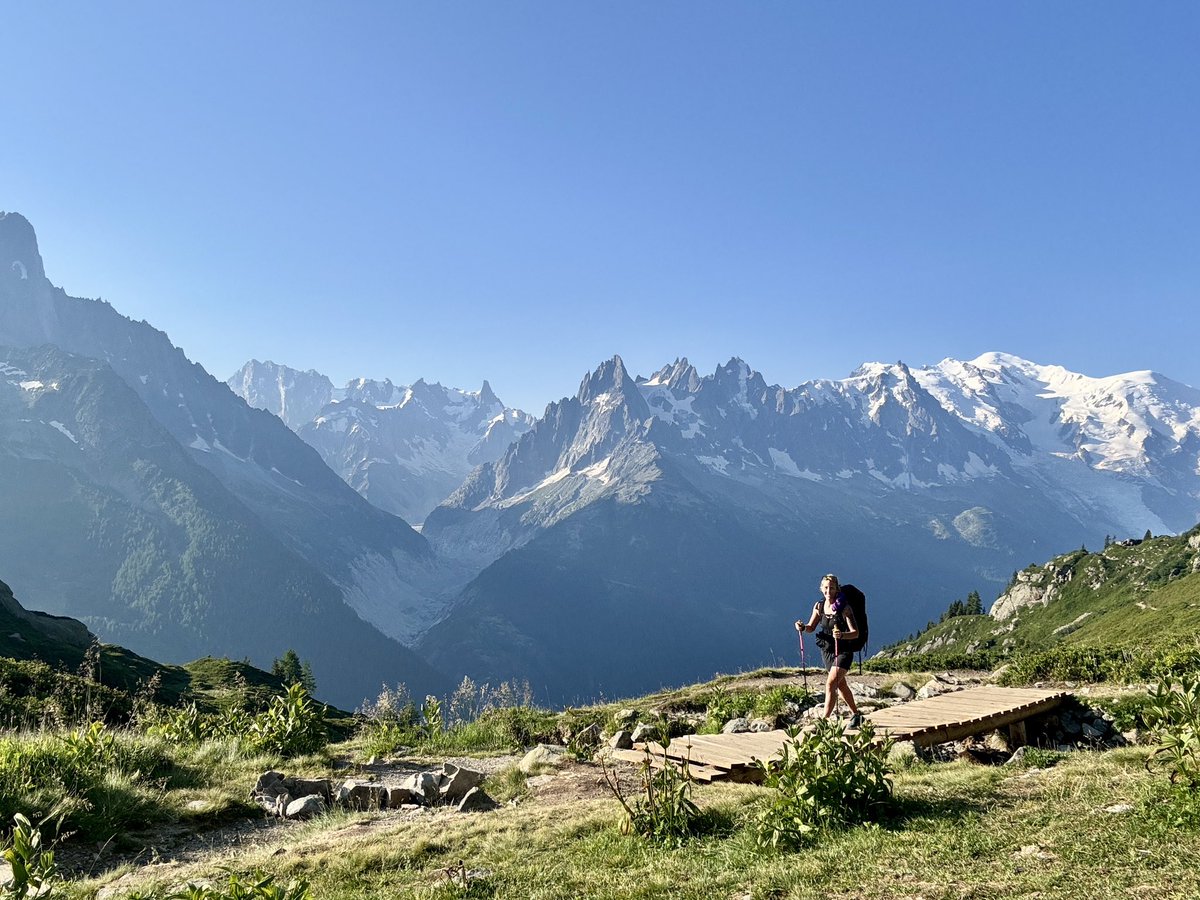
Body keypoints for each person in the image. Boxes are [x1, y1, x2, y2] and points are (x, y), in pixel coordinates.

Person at [795, 573, 864, 727]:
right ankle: (857, 714)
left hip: (844, 650)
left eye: (831, 588)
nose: (828, 591)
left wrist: (842, 635)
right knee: (841, 685)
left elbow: (855, 633)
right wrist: (802, 627)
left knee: (830, 684)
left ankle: (824, 722)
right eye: (826, 588)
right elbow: (811, 627)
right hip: (827, 650)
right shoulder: (819, 606)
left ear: (837, 589)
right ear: (821, 589)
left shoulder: (845, 608)